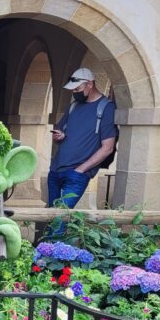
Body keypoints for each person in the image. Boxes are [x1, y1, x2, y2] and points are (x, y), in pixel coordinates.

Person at [46, 67, 117, 236]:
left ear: (89, 85)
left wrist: (81, 169)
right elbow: (62, 130)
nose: (74, 93)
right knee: (51, 216)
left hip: (77, 173)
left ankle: (49, 258)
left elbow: (108, 147)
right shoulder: (74, 106)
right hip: (56, 170)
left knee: (59, 219)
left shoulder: (106, 108)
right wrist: (60, 135)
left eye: (77, 89)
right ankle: (47, 255)